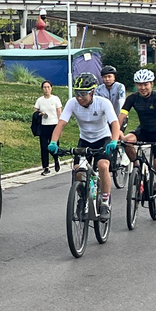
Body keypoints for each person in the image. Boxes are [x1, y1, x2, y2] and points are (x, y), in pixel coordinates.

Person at [47, 73, 120, 220]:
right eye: (77, 93)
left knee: (103, 165)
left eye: (83, 94)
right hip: (85, 140)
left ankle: (105, 202)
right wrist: (53, 142)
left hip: (103, 139)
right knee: (78, 171)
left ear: (92, 92)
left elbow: (114, 123)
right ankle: (82, 198)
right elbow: (61, 123)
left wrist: (114, 140)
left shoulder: (103, 103)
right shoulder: (72, 103)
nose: (79, 97)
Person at [118, 69, 156, 217]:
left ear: (152, 84)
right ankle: (136, 165)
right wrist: (116, 133)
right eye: (139, 84)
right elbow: (121, 117)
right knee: (126, 141)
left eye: (146, 84)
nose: (143, 88)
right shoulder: (132, 98)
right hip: (143, 130)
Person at [34, 80, 63, 175]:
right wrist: (40, 114)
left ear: (51, 88)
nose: (46, 89)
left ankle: (56, 159)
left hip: (54, 125)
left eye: (48, 87)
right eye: (44, 87)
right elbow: (35, 113)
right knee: (44, 147)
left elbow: (59, 113)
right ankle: (46, 167)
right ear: (42, 89)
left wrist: (60, 127)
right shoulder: (40, 100)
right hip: (43, 126)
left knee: (53, 145)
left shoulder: (55, 99)